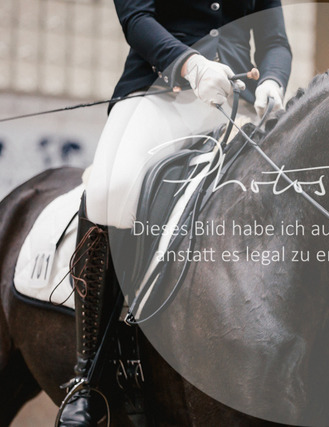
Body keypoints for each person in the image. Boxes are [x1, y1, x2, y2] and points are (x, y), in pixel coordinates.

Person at [57, 1, 291, 425]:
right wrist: (191, 65)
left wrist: (273, 80)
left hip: (234, 103)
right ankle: (87, 376)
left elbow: (275, 40)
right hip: (158, 93)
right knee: (111, 188)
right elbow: (136, 18)